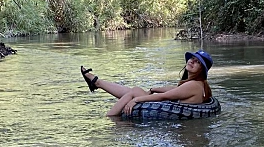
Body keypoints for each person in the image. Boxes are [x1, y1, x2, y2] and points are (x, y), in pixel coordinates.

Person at [80, 50, 214, 116]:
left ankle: (110, 117)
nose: (191, 61)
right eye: (192, 58)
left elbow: (165, 97)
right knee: (135, 91)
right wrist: (154, 88)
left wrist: (137, 99)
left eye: (197, 62)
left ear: (201, 70)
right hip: (176, 107)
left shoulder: (193, 85)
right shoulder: (197, 84)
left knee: (134, 93)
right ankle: (97, 82)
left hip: (174, 115)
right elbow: (174, 90)